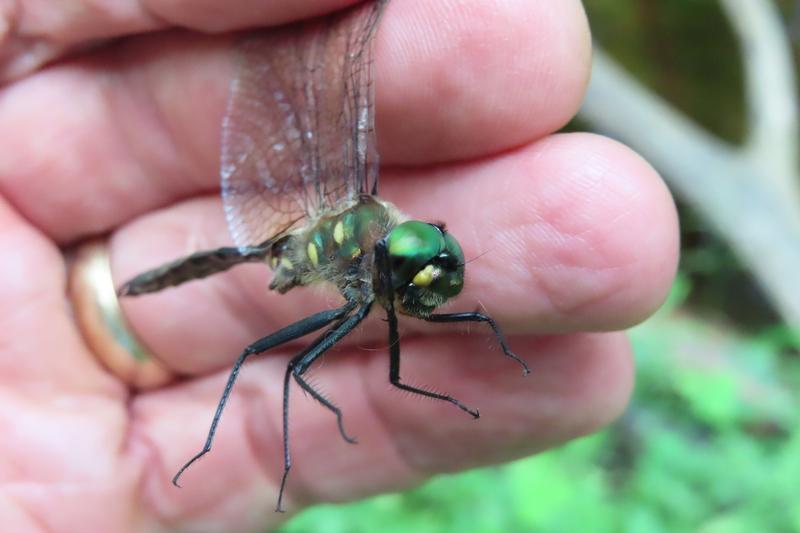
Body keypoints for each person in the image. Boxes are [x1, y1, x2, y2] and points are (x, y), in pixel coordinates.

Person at [0, 0, 678, 530]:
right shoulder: (357, 262)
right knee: (272, 363)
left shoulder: (387, 267)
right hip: (256, 248)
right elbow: (310, 373)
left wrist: (491, 351)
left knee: (337, 366)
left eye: (427, 263)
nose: (427, 275)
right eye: (417, 266)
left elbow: (406, 359)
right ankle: (238, 452)